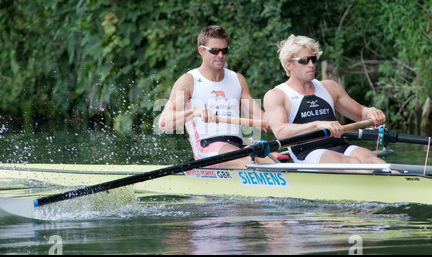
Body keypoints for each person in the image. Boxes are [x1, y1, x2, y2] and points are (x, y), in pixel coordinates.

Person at [263, 34, 386, 168]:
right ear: (288, 65)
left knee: (377, 163)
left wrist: (370, 111)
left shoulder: (330, 88)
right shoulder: (277, 95)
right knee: (352, 162)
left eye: (313, 59)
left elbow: (360, 114)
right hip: (307, 153)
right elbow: (280, 132)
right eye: (304, 60)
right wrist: (317, 125)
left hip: (339, 145)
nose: (311, 65)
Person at [158, 25, 272, 168]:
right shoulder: (188, 81)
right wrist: (195, 112)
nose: (220, 55)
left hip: (237, 146)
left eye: (224, 51)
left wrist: (271, 120)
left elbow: (257, 115)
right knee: (248, 161)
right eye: (214, 51)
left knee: (274, 162)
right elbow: (163, 123)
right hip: (206, 148)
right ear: (201, 51)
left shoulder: (238, 79)